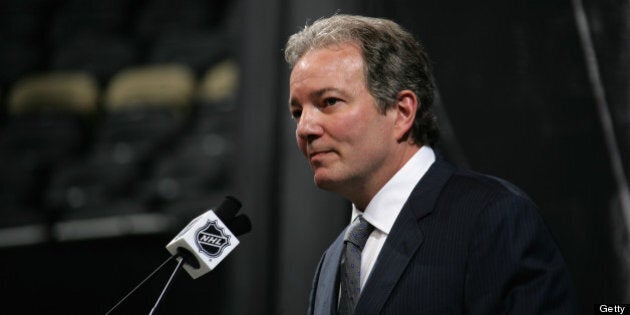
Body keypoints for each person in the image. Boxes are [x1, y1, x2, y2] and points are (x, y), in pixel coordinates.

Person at [284, 14, 578, 314]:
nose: (305, 128)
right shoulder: (333, 260)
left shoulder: (493, 218)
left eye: (329, 102)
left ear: (402, 111)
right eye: (297, 112)